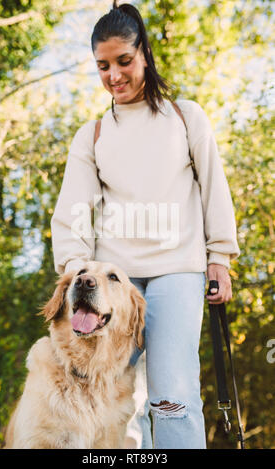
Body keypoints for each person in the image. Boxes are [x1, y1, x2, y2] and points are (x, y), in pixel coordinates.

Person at [50, 1, 240, 449]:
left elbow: (215, 188)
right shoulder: (93, 135)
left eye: (124, 61)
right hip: (115, 280)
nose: (114, 75)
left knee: (172, 396)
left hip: (178, 270)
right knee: (114, 397)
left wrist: (220, 258)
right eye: (102, 66)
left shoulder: (185, 117)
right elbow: (71, 211)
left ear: (145, 55)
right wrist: (78, 273)